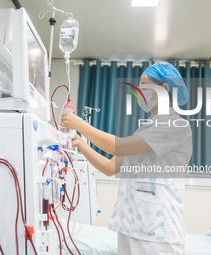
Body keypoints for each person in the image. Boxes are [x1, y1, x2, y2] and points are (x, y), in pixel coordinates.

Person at [60, 62, 192, 255]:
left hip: (159, 231)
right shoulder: (145, 129)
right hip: (132, 225)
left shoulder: (176, 125)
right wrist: (81, 144)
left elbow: (119, 145)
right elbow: (110, 167)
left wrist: (80, 125)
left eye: (145, 86)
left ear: (164, 88)